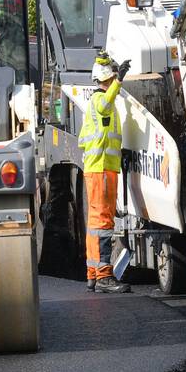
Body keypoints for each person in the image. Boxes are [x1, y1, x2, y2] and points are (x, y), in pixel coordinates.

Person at [79, 52, 132, 294]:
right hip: (102, 169)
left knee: (94, 224)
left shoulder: (96, 102)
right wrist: (119, 81)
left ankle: (92, 273)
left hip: (97, 168)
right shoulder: (101, 101)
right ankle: (103, 276)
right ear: (108, 80)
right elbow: (106, 104)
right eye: (112, 79)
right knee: (103, 223)